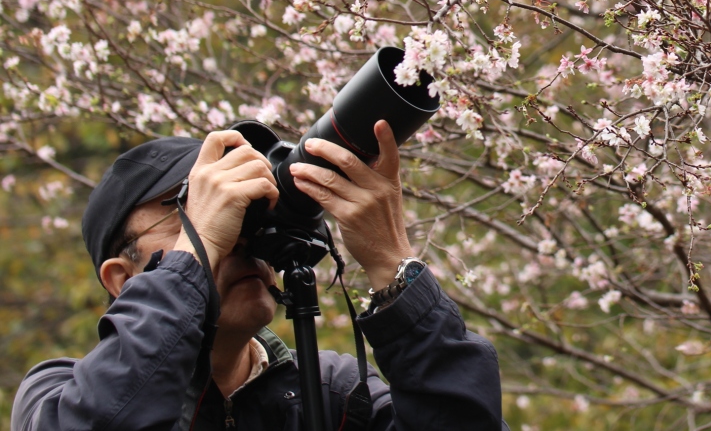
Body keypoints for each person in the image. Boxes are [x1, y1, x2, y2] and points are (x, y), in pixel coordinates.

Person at [12, 123, 506, 431]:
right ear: (121, 279)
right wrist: (198, 247)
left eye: (243, 211)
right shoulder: (56, 396)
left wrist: (393, 268)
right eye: (192, 208)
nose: (237, 235)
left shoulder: (334, 393)